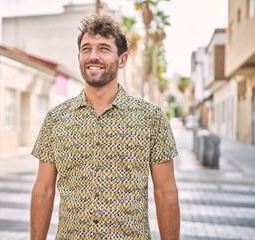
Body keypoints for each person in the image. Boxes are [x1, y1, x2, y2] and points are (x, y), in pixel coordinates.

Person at [31, 15, 180, 240]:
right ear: (79, 56)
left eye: (103, 49)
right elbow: (43, 189)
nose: (93, 56)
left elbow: (165, 192)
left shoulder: (152, 118)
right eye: (86, 49)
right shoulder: (55, 119)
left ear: (122, 59)